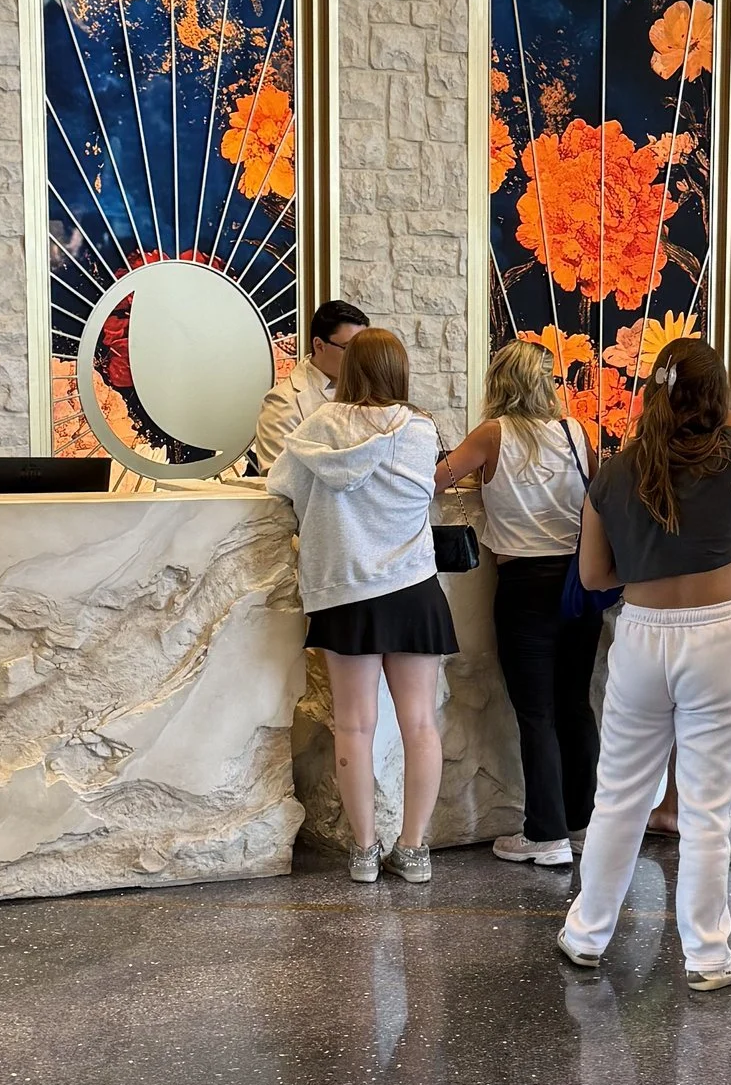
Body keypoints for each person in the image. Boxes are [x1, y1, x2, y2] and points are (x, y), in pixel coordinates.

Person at [557, 338, 731, 994]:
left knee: (617, 794)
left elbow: (592, 574)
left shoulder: (613, 474)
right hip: (720, 638)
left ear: (651, 393)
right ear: (714, 396)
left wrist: (643, 567)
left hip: (642, 635)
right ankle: (707, 955)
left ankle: (587, 933)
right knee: (708, 805)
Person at [267, 325, 453, 884]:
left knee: (353, 727)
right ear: (400, 372)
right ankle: (415, 852)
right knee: (420, 723)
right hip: (413, 587)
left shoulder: (318, 427)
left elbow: (283, 487)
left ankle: (364, 852)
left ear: (348, 372)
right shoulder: (421, 430)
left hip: (344, 592)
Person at [436, 339, 601, 867]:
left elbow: (435, 481)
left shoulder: (492, 435)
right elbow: (598, 500)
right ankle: (584, 825)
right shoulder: (579, 434)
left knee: (536, 711)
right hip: (581, 584)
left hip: (525, 586)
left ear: (500, 382)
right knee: (576, 705)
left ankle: (545, 832)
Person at [252, 298, 369, 474]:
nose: (358, 357)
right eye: (349, 348)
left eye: (363, 348)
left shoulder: (369, 387)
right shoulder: (283, 401)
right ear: (319, 345)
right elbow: (277, 475)